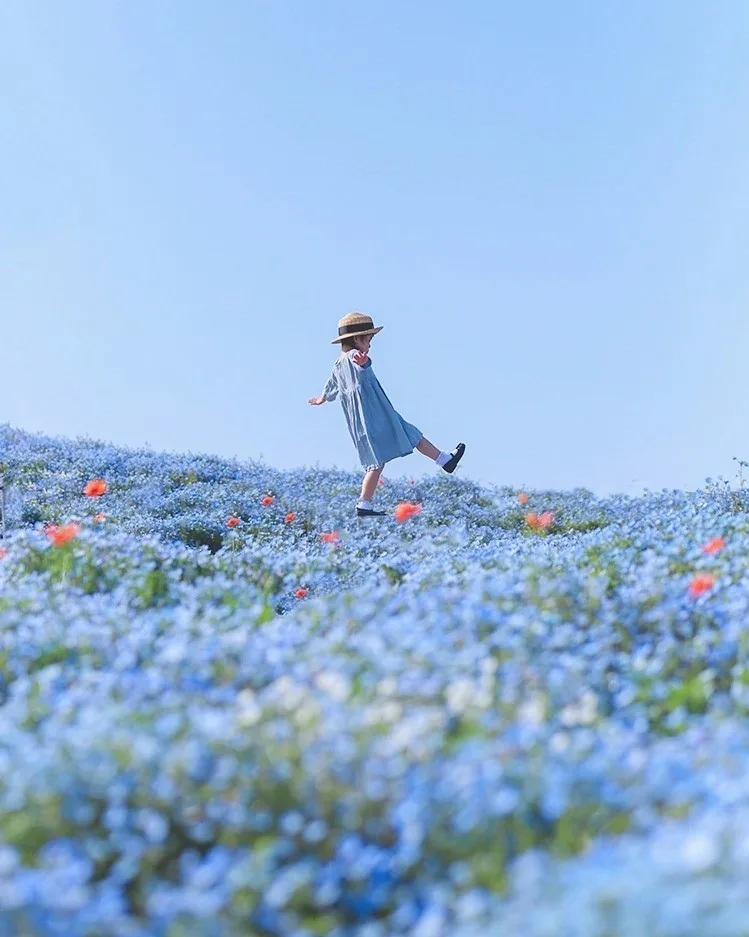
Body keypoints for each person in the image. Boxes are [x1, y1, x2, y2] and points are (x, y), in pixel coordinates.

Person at [308, 312, 465, 517]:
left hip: (365, 419)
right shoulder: (353, 358)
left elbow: (332, 383)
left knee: (402, 441)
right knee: (387, 453)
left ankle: (444, 460)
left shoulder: (339, 363)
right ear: (357, 339)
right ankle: (364, 504)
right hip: (375, 415)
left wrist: (322, 398)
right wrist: (364, 363)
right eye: (368, 340)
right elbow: (361, 364)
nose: (370, 345)